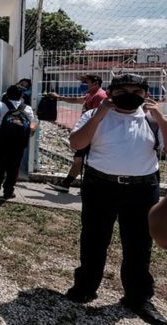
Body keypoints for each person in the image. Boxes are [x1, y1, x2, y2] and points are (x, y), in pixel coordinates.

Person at [63, 74, 166, 324]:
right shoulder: (93, 115)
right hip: (100, 186)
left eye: (136, 90)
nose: (130, 94)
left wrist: (161, 118)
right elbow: (76, 142)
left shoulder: (152, 120)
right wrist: (99, 114)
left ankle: (138, 297)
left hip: (142, 189)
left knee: (139, 244)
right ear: (110, 93)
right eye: (122, 90)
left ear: (146, 94)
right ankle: (86, 287)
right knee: (94, 238)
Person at [47, 74, 107, 193]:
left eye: (87, 82)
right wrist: (58, 97)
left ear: (95, 83)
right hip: (87, 133)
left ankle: (74, 185)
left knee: (82, 160)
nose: (84, 85)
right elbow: (77, 100)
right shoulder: (91, 94)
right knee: (80, 160)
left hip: (91, 134)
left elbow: (99, 117)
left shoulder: (100, 96)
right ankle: (68, 184)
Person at [0, 85, 37, 199]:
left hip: (2, 140)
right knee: (14, 167)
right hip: (19, 142)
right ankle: (8, 191)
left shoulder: (1, 105)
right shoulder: (27, 108)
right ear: (21, 96)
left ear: (7, 95)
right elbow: (33, 126)